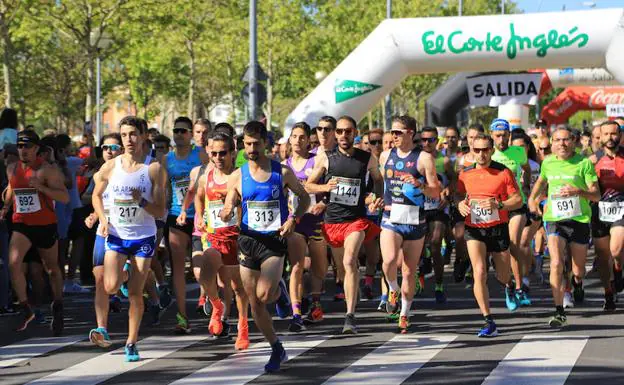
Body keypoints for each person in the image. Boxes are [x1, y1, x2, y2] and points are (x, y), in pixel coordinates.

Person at [220, 121, 310, 373]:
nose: (251, 149)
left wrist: (293, 219)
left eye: (256, 144)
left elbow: (303, 198)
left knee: (263, 294)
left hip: (274, 239)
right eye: (247, 144)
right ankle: (276, 348)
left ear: (266, 144)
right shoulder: (238, 176)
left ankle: (279, 291)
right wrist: (227, 211)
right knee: (255, 303)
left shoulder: (282, 172)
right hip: (248, 240)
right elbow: (230, 202)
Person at [92, 116, 166, 361]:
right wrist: (103, 219)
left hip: (143, 236)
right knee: (110, 285)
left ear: (144, 136)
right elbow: (96, 194)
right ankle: (123, 273)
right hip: (116, 234)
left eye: (133, 134)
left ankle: (131, 342)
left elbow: (160, 210)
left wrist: (141, 201)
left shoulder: (153, 168)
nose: (128, 140)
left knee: (135, 292)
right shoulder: (112, 166)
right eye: (124, 135)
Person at [306, 115, 383, 334]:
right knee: (341, 270)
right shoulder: (327, 159)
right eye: (339, 131)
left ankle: (350, 316)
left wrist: (377, 197)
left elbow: (378, 180)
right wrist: (325, 188)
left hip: (356, 220)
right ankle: (351, 288)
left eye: (347, 131)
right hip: (333, 222)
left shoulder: (366, 158)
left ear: (355, 132)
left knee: (350, 261)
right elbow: (309, 186)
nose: (343, 135)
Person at [529, 126, 600, 328]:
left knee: (578, 270)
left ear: (574, 141)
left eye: (566, 140)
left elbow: (596, 195)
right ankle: (559, 311)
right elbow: (541, 182)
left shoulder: (584, 163)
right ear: (552, 142)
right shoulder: (548, 162)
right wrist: (533, 200)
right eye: (558, 140)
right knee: (556, 263)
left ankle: (577, 283)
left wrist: (578, 191)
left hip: (578, 220)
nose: (562, 144)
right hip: (555, 219)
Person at [1, 130, 69, 334]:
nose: (23, 150)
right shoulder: (12, 168)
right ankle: (25, 307)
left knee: (52, 269)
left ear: (37, 149)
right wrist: (5, 208)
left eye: (27, 146)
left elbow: (64, 197)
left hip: (45, 225)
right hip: (22, 224)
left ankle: (58, 304)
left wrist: (42, 187)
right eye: (20, 146)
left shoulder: (48, 170)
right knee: (13, 263)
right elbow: (13, 190)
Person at [456, 133, 523, 337]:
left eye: (486, 149)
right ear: (471, 151)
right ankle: (488, 319)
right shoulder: (464, 174)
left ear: (492, 150)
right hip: (474, 229)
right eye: (477, 150)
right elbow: (459, 197)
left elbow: (518, 200)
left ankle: (509, 286)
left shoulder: (503, 172)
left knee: (502, 275)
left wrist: (499, 204)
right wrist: (459, 205)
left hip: (498, 228)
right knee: (479, 272)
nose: (481, 154)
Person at [379, 117, 441, 333]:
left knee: (408, 271)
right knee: (388, 261)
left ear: (410, 133)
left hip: (415, 219)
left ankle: (404, 313)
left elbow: (435, 191)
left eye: (398, 132)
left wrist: (420, 185)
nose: (393, 136)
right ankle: (393, 289)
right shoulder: (386, 155)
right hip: (390, 217)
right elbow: (382, 184)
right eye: (392, 132)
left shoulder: (424, 158)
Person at [195, 132, 250, 349]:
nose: (218, 157)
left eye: (223, 153)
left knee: (238, 288)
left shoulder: (239, 176)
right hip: (215, 238)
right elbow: (199, 196)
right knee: (206, 275)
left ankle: (243, 326)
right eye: (214, 153)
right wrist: (200, 217)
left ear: (233, 153)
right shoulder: (205, 177)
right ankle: (217, 306)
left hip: (237, 239)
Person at [162, 116, 208, 333]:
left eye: (183, 131)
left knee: (201, 268)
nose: (179, 134)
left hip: (200, 215)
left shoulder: (200, 155)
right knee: (178, 270)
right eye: (176, 131)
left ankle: (210, 300)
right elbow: (164, 190)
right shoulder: (166, 159)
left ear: (191, 134)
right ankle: (182, 317)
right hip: (176, 216)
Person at [283, 122, 327, 329]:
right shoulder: (284, 166)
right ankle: (296, 312)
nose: (299, 140)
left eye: (302, 136)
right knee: (297, 266)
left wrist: (323, 202)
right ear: (289, 140)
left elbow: (330, 188)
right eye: (295, 136)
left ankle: (315, 304)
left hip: (317, 221)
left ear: (308, 139)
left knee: (318, 267)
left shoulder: (318, 161)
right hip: (296, 221)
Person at [85, 133, 124, 347]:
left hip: (128, 233)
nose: (109, 151)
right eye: (105, 147)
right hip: (104, 230)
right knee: (99, 278)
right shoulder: (99, 175)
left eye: (114, 146)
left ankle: (127, 279)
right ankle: (102, 328)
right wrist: (94, 216)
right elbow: (98, 200)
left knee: (119, 279)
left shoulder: (130, 172)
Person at [490, 119, 532, 307]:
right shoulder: (487, 153)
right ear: (492, 135)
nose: (501, 139)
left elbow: (527, 169)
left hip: (516, 204)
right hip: (495, 207)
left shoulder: (518, 151)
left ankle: (519, 287)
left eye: (505, 135)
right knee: (503, 249)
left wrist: (526, 185)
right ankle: (509, 286)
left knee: (513, 242)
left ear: (509, 135)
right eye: (498, 135)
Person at [588, 121, 623, 311]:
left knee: (616, 250)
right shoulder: (593, 160)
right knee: (602, 256)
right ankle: (608, 293)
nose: (610, 137)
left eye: (614, 133)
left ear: (620, 135)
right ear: (600, 137)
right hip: (599, 210)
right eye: (606, 134)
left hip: (621, 208)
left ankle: (618, 270)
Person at [419, 126, 454, 304]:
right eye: (423, 140)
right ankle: (422, 265)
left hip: (438, 207)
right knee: (419, 247)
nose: (426, 143)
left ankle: (439, 285)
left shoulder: (444, 160)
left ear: (437, 141)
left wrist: (448, 192)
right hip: (419, 207)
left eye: (430, 140)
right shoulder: (415, 159)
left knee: (434, 243)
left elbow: (453, 180)